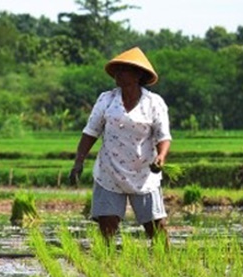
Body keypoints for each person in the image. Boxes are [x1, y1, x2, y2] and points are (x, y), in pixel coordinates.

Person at [68, 47, 172, 246]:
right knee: (107, 227)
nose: (119, 74)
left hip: (143, 173)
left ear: (138, 75)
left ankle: (166, 263)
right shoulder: (106, 99)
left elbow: (163, 136)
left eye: (125, 70)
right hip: (110, 170)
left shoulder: (153, 103)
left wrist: (161, 157)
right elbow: (90, 132)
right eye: (118, 70)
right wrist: (78, 162)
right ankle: (105, 265)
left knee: (155, 226)